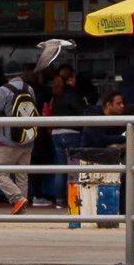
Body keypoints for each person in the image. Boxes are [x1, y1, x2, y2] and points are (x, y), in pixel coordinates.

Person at [0, 65, 40, 214]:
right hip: (28, 137)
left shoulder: (4, 90)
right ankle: (21, 207)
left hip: (8, 140)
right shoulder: (29, 88)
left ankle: (17, 198)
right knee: (22, 174)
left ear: (6, 75)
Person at [40, 64, 89, 206]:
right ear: (71, 79)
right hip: (72, 133)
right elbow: (82, 110)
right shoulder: (72, 94)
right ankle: (73, 200)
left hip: (56, 134)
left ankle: (60, 201)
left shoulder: (56, 94)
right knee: (73, 168)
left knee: (61, 168)